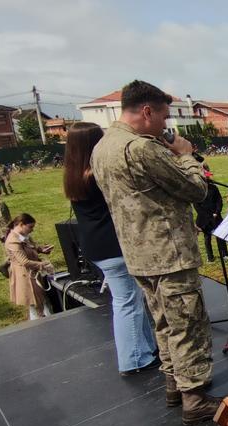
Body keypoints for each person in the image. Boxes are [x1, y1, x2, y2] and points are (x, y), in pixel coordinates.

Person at [91, 80, 221, 425]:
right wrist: (186, 154)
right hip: (169, 252)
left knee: (163, 323)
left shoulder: (103, 147)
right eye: (163, 116)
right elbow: (195, 189)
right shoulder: (142, 149)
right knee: (187, 324)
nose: (165, 124)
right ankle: (194, 397)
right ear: (146, 111)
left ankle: (173, 387)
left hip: (138, 254)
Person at [64, 121, 158, 375]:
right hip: (113, 246)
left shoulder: (73, 176)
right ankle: (134, 358)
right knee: (127, 301)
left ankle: (146, 348)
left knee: (130, 298)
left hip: (96, 246)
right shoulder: (95, 176)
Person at [4, 213, 54, 320]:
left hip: (32, 273)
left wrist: (42, 249)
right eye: (30, 227)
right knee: (35, 304)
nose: (32, 230)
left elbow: (32, 247)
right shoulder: (13, 241)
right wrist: (43, 264)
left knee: (41, 302)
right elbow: (24, 262)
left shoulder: (24, 236)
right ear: (21, 224)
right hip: (25, 276)